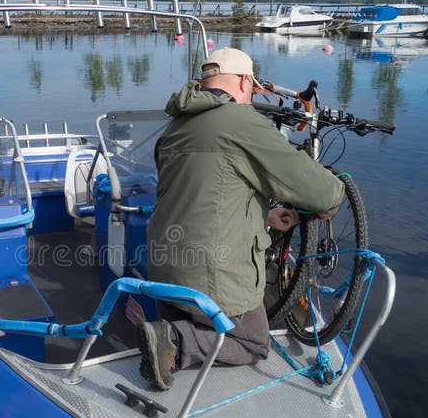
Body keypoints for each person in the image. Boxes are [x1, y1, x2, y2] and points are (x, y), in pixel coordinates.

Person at [137, 47, 345, 391]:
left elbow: (198, 195)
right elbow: (319, 192)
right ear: (245, 81)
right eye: (251, 87)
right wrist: (335, 195)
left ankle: (170, 339)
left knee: (187, 313)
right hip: (211, 276)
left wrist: (263, 215)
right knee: (252, 342)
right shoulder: (242, 122)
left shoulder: (174, 128)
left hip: (163, 266)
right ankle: (175, 339)